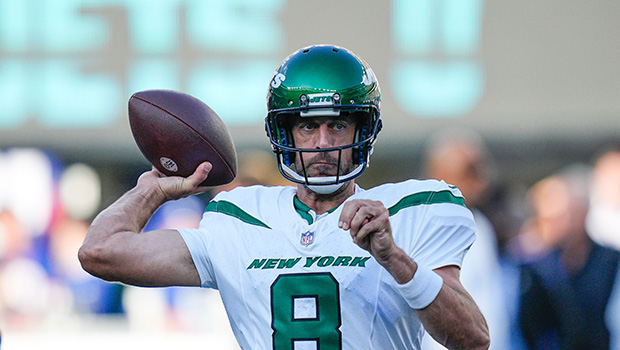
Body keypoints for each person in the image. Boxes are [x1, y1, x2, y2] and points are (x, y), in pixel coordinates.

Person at [78, 44, 489, 349]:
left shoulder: (412, 210)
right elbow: (100, 251)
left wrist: (395, 259)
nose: (323, 143)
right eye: (308, 127)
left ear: (363, 131)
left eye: (339, 125)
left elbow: (472, 339)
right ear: (284, 133)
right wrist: (151, 190)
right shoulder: (238, 219)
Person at [422, 129, 510, 350]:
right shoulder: (423, 226)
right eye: (470, 172)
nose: (481, 181)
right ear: (438, 174)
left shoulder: (479, 223)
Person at [517, 166, 620, 350]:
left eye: (566, 214)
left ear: (583, 212)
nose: (560, 223)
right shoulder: (539, 266)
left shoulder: (610, 260)